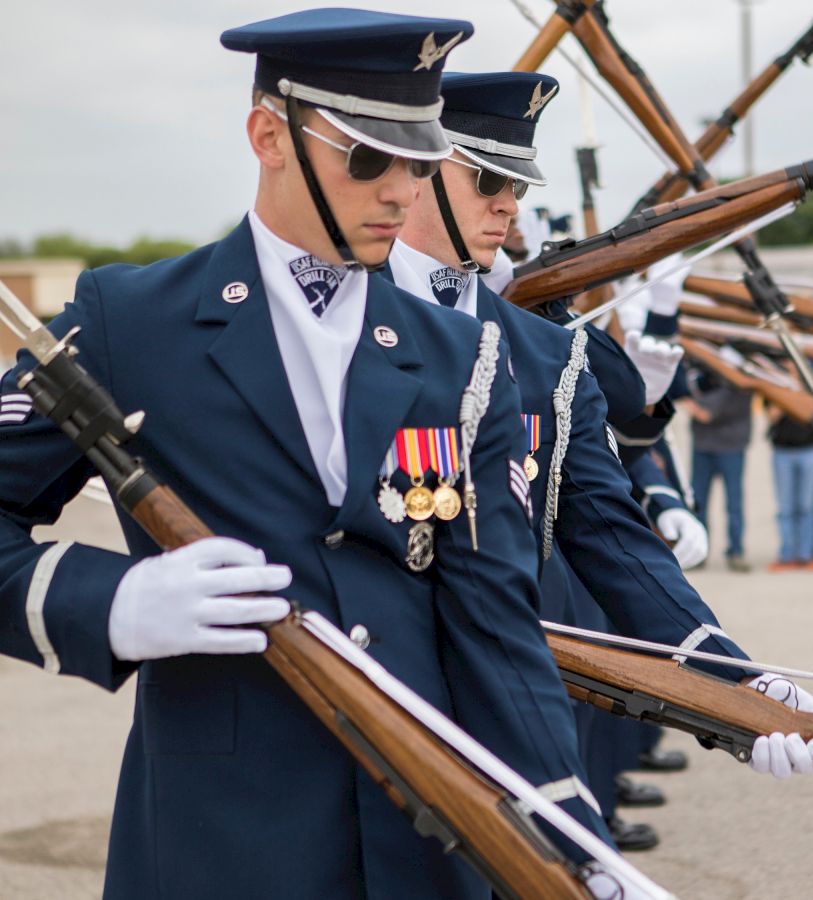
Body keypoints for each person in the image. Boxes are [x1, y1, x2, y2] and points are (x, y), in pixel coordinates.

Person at [0, 11, 637, 898]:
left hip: (427, 844)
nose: (402, 192)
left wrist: (572, 830)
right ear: (269, 134)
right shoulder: (132, 324)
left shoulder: (463, 356)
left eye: (418, 160)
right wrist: (108, 601)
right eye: (368, 157)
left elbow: (495, 619)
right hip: (218, 841)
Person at [387, 68, 813, 860]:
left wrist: (730, 680)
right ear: (418, 170)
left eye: (517, 182)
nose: (509, 204)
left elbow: (609, 533)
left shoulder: (547, 352)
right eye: (488, 178)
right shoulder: (333, 316)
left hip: (510, 717)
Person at [678, 372, 754, 571]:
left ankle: (736, 551)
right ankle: (700, 552)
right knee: (699, 503)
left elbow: (706, 414)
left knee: (733, 504)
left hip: (730, 447)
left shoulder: (739, 379)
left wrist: (683, 399)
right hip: (704, 447)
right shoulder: (702, 376)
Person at [766, 387, 813, 572]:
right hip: (782, 450)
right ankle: (787, 554)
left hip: (809, 449)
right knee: (785, 507)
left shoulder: (810, 384)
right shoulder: (773, 386)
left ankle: (806, 555)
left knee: (806, 505)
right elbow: (772, 416)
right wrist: (787, 397)